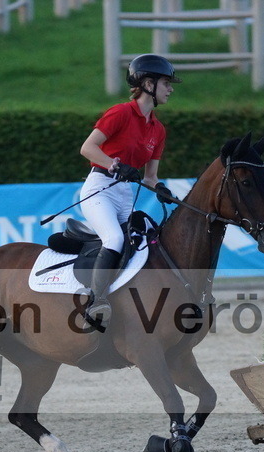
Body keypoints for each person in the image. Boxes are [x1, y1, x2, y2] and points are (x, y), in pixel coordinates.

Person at [78, 53, 180, 328]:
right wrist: (114, 164)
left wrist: (161, 190)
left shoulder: (158, 129)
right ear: (148, 83)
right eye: (166, 83)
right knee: (113, 239)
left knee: (143, 244)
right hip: (100, 189)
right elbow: (87, 148)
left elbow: (150, 177)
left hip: (125, 196)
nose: (171, 88)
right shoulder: (121, 112)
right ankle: (93, 303)